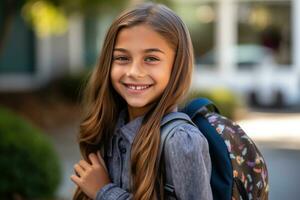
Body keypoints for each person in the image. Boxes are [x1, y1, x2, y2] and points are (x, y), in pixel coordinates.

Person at [71, 3, 212, 200]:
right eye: (122, 58)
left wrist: (104, 191)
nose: (134, 72)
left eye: (151, 58)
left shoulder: (181, 141)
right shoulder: (110, 127)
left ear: (177, 65)